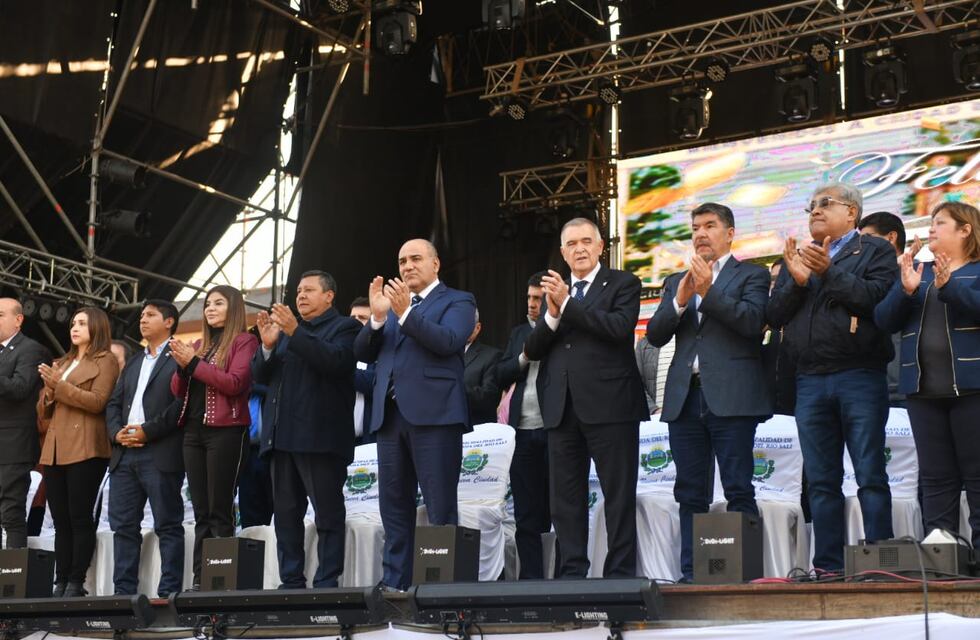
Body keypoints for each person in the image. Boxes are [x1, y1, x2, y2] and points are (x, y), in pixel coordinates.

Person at [766, 182, 899, 575]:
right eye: (810, 207)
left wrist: (828, 272)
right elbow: (774, 315)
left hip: (859, 374)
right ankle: (827, 567)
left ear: (852, 213)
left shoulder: (875, 250)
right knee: (821, 481)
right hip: (810, 380)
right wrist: (800, 280)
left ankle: (880, 562)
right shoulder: (801, 256)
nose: (815, 212)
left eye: (826, 205)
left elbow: (876, 300)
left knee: (870, 474)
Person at [646, 203, 772, 582]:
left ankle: (744, 572)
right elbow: (655, 335)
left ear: (730, 233)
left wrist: (709, 291)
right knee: (689, 492)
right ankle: (693, 573)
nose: (700, 233)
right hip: (686, 398)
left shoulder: (752, 274)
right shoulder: (675, 280)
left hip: (732, 396)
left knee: (737, 486)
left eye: (710, 226)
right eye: (695, 227)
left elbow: (752, 324)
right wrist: (681, 299)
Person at [524, 217, 648, 578]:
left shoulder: (623, 283)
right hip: (561, 408)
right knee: (565, 501)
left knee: (618, 496)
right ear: (563, 252)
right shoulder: (555, 294)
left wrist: (567, 304)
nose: (579, 248)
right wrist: (550, 314)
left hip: (612, 406)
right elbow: (532, 349)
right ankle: (571, 572)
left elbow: (618, 329)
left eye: (586, 242)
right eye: (571, 244)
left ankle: (620, 574)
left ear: (599, 247)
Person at [353, 239, 476, 591]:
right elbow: (362, 351)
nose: (407, 266)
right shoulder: (390, 308)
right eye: (402, 260)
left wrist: (406, 313)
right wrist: (377, 318)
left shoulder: (458, 300)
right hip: (390, 418)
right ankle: (396, 587)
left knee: (439, 510)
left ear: (435, 264)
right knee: (394, 510)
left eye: (416, 259)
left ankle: (442, 591)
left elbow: (449, 341)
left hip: (435, 416)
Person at [874, 201, 980, 547]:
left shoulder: (976, 271)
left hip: (973, 389)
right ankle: (941, 551)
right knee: (936, 478)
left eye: (940, 222)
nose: (931, 228)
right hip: (922, 392)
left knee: (977, 476)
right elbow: (883, 321)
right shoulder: (918, 273)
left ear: (965, 229)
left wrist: (949, 286)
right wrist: (904, 290)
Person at [252, 270, 361, 588]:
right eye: (298, 290)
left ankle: (327, 580)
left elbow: (335, 362)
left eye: (309, 290)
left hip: (321, 438)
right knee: (285, 516)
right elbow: (260, 376)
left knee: (327, 515)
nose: (300, 295)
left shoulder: (346, 327)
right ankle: (291, 581)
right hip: (281, 437)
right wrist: (269, 347)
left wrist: (295, 332)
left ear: (329, 296)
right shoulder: (285, 334)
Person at [170, 285, 258, 590]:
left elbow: (235, 383)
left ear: (233, 308)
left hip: (226, 431)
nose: (210, 309)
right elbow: (177, 391)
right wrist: (183, 368)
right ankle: (200, 579)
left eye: (218, 303)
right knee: (201, 511)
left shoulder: (244, 341)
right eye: (207, 304)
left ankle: (222, 580)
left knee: (220, 509)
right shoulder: (199, 344)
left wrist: (193, 364)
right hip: (193, 432)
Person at [37, 307, 119, 596]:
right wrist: (49, 390)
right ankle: (60, 580)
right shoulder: (63, 361)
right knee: (60, 519)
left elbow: (98, 402)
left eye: (82, 323)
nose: (74, 328)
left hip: (86, 445)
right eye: (73, 323)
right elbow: (43, 411)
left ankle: (76, 580)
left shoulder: (106, 360)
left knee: (79, 516)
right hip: (56, 447)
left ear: (96, 327)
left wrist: (59, 386)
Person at [105, 300, 184, 597]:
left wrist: (147, 431)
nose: (143, 319)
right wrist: (116, 433)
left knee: (168, 525)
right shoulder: (135, 360)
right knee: (124, 527)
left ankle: (168, 593)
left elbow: (181, 405)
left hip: (159, 451)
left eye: (150, 315)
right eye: (141, 315)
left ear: (169, 322)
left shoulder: (179, 357)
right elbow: (114, 403)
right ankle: (123, 594)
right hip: (124, 454)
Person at [496, 271, 553, 579]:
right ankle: (531, 580)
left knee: (558, 509)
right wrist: (524, 356)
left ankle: (563, 577)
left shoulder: (565, 329)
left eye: (538, 299)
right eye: (529, 298)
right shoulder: (519, 333)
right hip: (522, 430)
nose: (532, 305)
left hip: (555, 428)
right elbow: (500, 373)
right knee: (526, 514)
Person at [0, 299, 49, 549]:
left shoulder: (30, 349)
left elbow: (20, 388)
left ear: (18, 320)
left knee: (10, 513)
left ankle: (12, 581)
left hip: (13, 444)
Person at [463, 308, 502, 425]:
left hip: (476, 434)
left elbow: (489, 398)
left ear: (477, 328)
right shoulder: (443, 354)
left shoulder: (492, 356)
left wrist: (454, 389)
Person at [350, 297, 376, 446]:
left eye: (362, 317)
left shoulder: (382, 351)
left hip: (370, 442)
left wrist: (339, 368)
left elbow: (377, 382)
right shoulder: (338, 348)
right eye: (352, 317)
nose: (355, 321)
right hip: (339, 442)